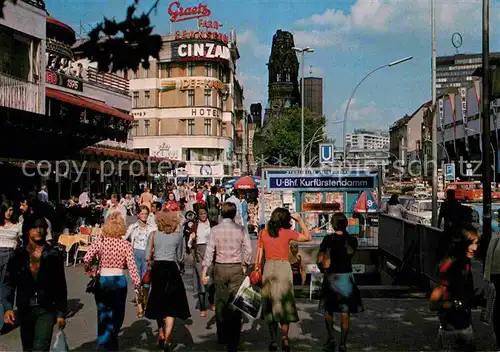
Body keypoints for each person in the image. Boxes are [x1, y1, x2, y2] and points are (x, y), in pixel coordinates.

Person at [3, 215, 67, 351]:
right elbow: (8, 282)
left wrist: (61, 313)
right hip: (25, 308)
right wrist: (8, 307)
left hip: (46, 309)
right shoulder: (18, 256)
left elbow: (60, 286)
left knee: (41, 347)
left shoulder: (53, 255)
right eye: (34, 227)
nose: (38, 230)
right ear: (27, 230)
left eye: (41, 227)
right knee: (28, 347)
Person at [254, 208, 311, 352]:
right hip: (284, 268)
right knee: (285, 302)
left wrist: (257, 269)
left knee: (270, 303)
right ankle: (285, 338)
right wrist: (300, 220)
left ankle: (273, 340)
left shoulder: (263, 233)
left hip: (269, 267)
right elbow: (307, 237)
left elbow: (259, 253)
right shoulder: (287, 233)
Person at [83, 212, 141, 351]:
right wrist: (137, 284)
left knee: (103, 312)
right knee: (118, 313)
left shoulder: (101, 242)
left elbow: (86, 258)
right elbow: (132, 267)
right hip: (119, 280)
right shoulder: (125, 245)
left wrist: (90, 271)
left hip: (103, 280)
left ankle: (103, 342)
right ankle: (111, 339)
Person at [201, 202, 252, 352]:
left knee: (221, 301)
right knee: (237, 302)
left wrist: (204, 271)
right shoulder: (241, 230)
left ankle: (222, 334)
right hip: (236, 267)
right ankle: (234, 338)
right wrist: (245, 264)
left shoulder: (215, 230)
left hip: (220, 268)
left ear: (221, 213)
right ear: (234, 213)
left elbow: (209, 252)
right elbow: (248, 250)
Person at [144, 211, 190, 352]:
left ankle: (161, 332)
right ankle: (169, 337)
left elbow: (147, 255)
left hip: (157, 268)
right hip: (171, 268)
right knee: (171, 304)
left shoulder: (153, 235)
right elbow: (181, 256)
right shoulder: (177, 236)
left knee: (158, 299)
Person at [317, 213, 363, 352]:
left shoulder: (327, 239)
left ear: (332, 224)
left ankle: (331, 338)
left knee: (328, 309)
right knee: (345, 311)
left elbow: (320, 259)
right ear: (346, 224)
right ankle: (343, 342)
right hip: (346, 277)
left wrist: (321, 267)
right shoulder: (352, 240)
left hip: (331, 277)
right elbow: (350, 254)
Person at [430, 225, 479, 351]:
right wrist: (458, 303)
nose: (475, 248)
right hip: (451, 330)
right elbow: (433, 303)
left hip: (465, 326)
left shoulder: (465, 264)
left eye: (476, 243)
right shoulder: (448, 267)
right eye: (472, 244)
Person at [188, 206, 215, 317]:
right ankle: (202, 307)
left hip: (211, 253)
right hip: (199, 254)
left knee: (211, 279)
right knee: (201, 280)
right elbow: (189, 244)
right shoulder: (195, 226)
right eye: (201, 214)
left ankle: (212, 300)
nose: (203, 216)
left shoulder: (212, 225)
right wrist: (192, 238)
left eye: (204, 213)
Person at [123, 206, 155, 281]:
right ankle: (138, 291)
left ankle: (144, 291)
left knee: (146, 276)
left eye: (146, 214)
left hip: (147, 253)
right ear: (138, 215)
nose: (144, 216)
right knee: (136, 276)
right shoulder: (133, 227)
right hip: (136, 252)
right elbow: (124, 238)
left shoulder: (152, 227)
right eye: (142, 214)